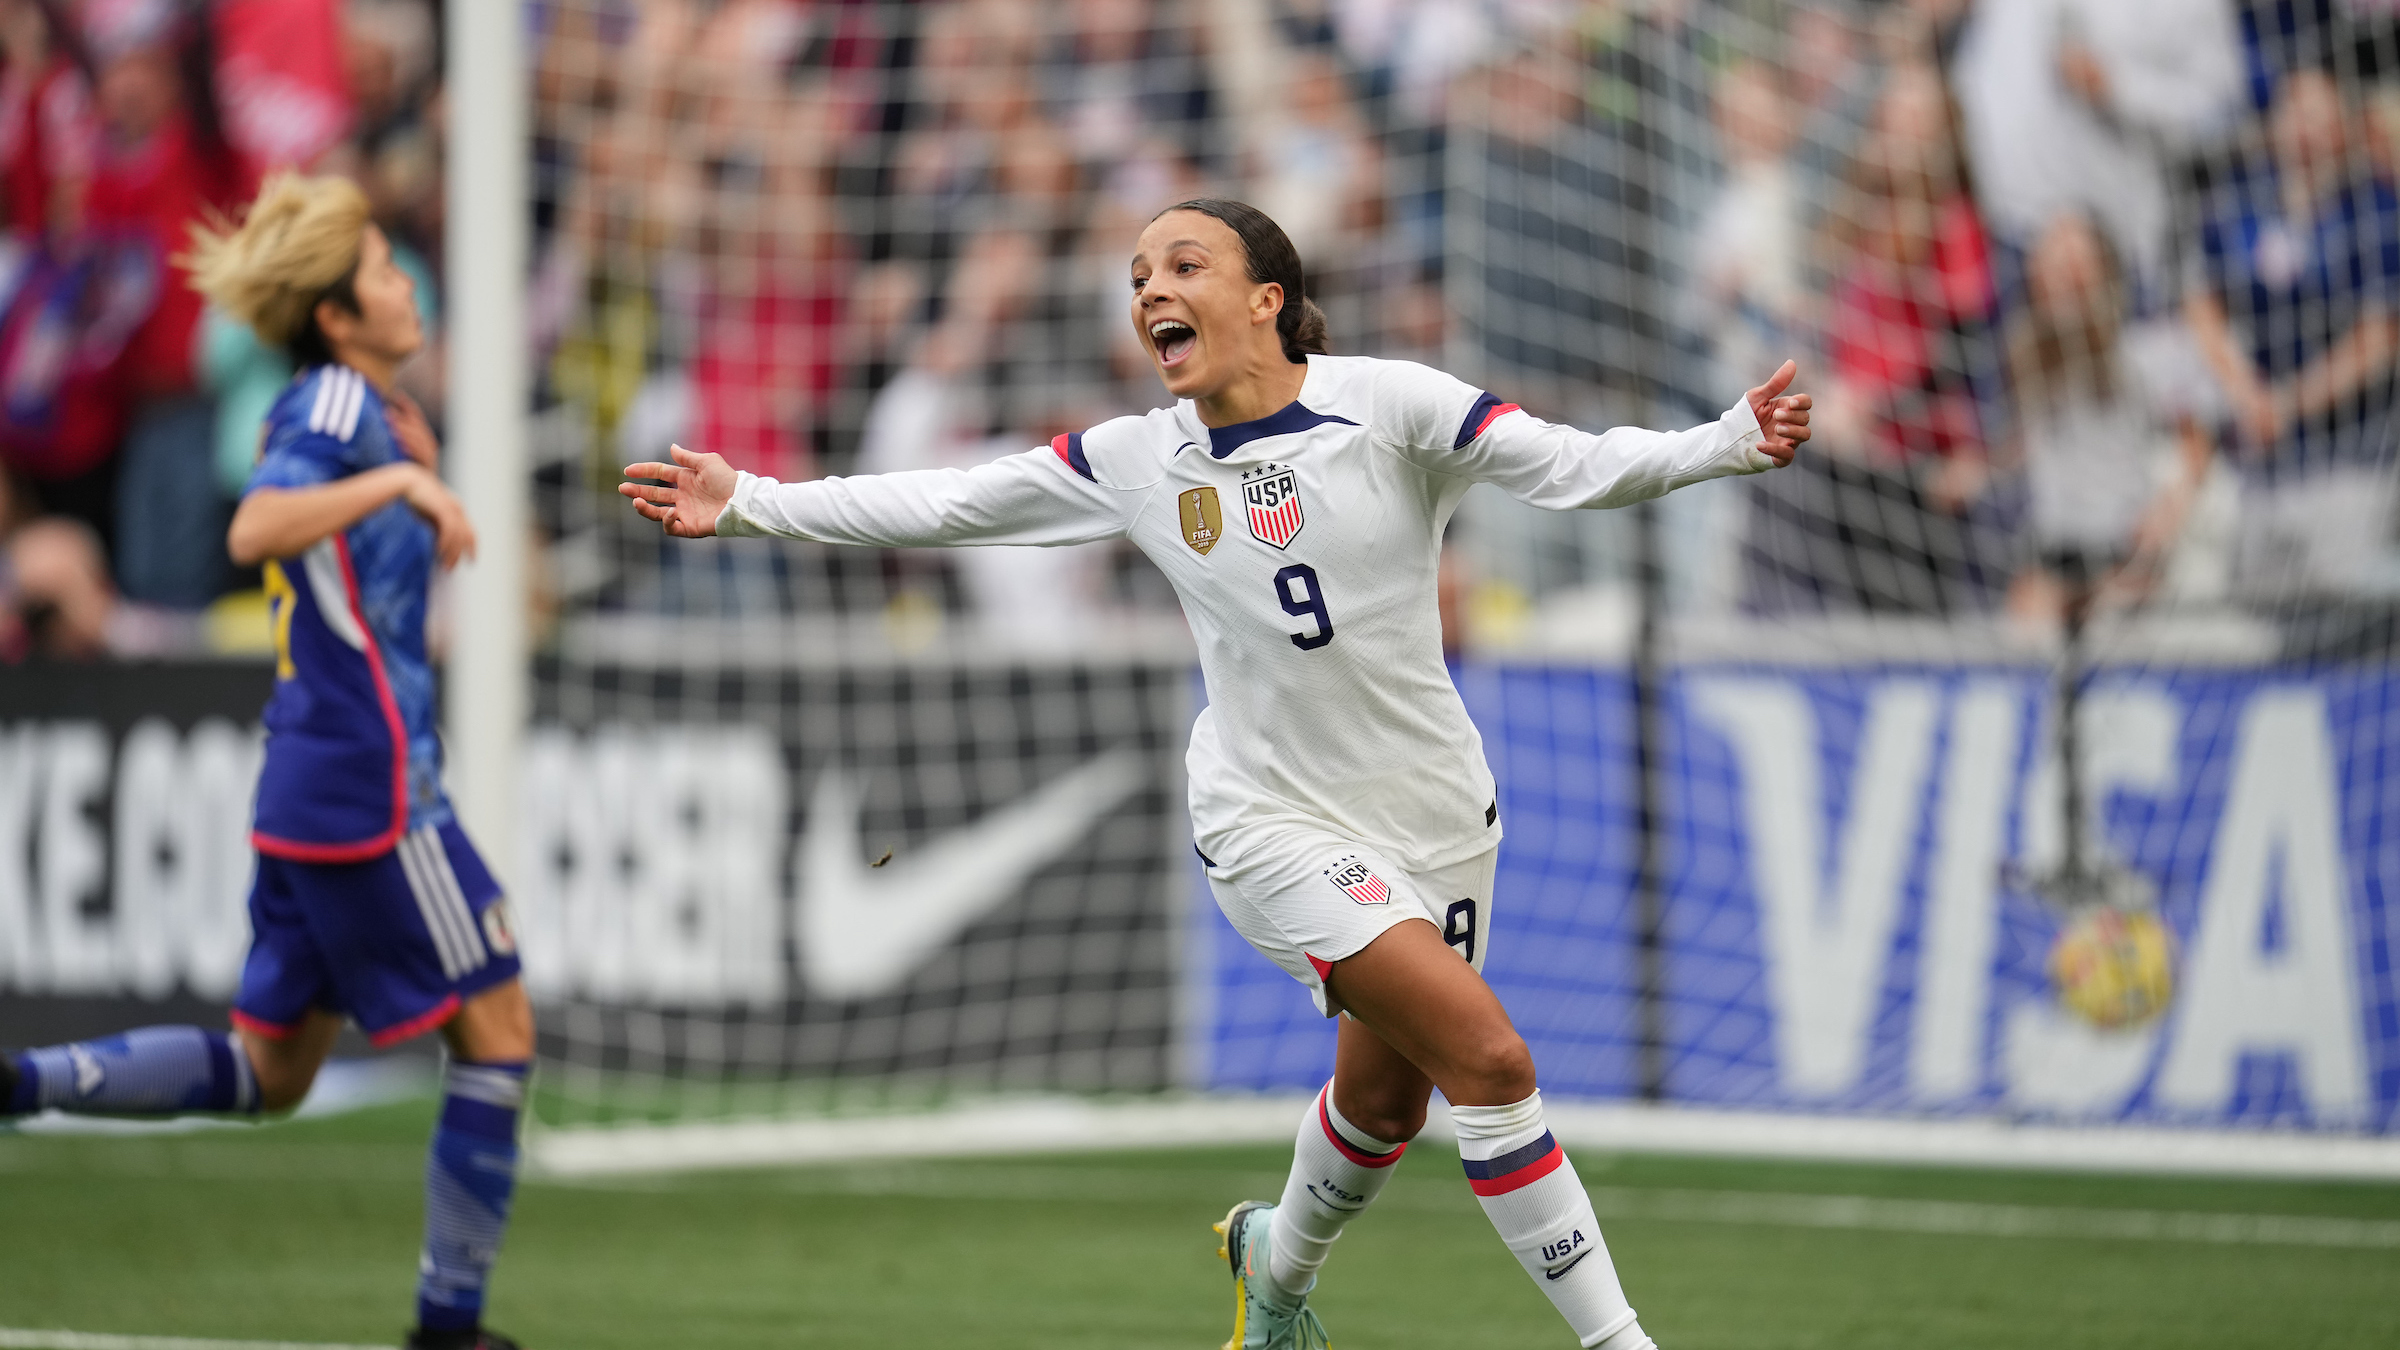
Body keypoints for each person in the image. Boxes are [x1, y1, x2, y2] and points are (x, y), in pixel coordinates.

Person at [621, 198, 1810, 1350]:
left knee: (1385, 1110)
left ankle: (1272, 1274)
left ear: (1267, 300)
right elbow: (948, 501)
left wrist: (1726, 442)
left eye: (1182, 267)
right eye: (1139, 278)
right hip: (1268, 819)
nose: (1152, 292)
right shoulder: (1136, 457)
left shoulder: (1391, 405)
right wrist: (753, 504)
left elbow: (1573, 465)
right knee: (1492, 1064)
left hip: (1437, 816)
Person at [0, 173, 530, 1350]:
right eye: (388, 270)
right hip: (376, 791)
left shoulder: (375, 409)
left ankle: (20, 1087)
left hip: (311, 784)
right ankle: (451, 1330)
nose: (408, 284)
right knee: (497, 1034)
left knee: (268, 1072)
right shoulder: (342, 408)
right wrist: (397, 483)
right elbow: (253, 527)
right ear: (337, 316)